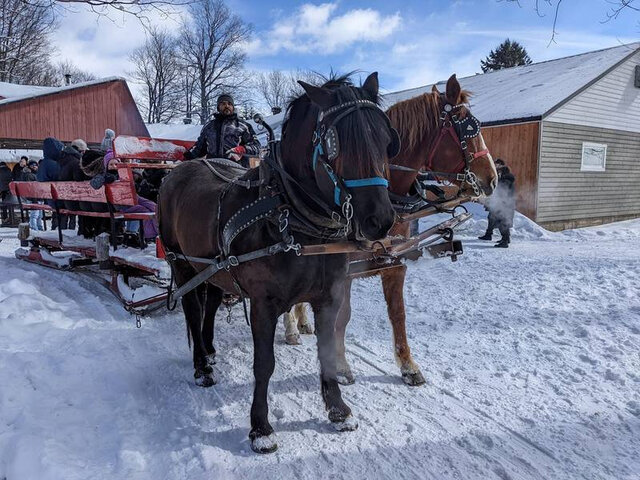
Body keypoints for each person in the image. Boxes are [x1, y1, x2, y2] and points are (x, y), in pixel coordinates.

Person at [183, 93, 261, 166]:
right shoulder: (209, 126)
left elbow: (256, 146)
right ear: (218, 107)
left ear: (233, 107)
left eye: (229, 104)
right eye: (223, 104)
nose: (227, 106)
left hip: (237, 168)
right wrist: (185, 157)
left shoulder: (243, 126)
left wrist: (242, 149)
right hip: (213, 168)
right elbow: (199, 148)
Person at [478, 158, 516, 248]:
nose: (497, 172)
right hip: (502, 203)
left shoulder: (506, 179)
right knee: (495, 219)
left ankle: (505, 241)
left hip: (504, 204)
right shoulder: (503, 178)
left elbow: (502, 191)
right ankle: (504, 238)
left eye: (499, 171)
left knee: (502, 221)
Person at [23, 161, 43, 231]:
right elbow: (31, 188)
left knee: (39, 215)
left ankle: (39, 228)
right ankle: (34, 229)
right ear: (29, 167)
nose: (34, 166)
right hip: (34, 198)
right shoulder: (29, 175)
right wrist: (34, 199)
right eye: (32, 165)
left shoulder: (37, 174)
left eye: (35, 165)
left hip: (39, 198)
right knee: (34, 215)